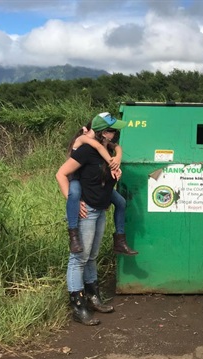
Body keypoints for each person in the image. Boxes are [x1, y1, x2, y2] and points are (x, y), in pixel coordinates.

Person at [56, 112, 128, 325]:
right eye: (112, 131)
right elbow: (61, 174)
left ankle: (93, 297)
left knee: (92, 256)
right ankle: (78, 306)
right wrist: (73, 200)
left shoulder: (108, 152)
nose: (115, 134)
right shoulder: (87, 150)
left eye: (115, 131)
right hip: (87, 210)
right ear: (102, 132)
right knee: (79, 257)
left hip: (100, 209)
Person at [66, 122, 138, 256]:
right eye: (112, 131)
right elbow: (98, 146)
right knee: (74, 196)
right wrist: (114, 163)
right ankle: (73, 233)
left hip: (94, 185)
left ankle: (120, 238)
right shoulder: (83, 139)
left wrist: (117, 157)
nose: (115, 134)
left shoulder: (104, 144)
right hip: (75, 178)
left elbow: (116, 146)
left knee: (121, 202)